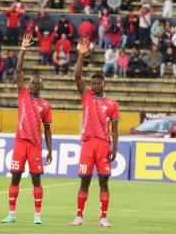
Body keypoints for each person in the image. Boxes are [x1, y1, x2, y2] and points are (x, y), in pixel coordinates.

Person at [1, 33, 53, 224]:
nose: (34, 85)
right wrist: (22, 49)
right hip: (20, 144)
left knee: (36, 179)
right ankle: (11, 214)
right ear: (29, 85)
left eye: (38, 83)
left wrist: (50, 150)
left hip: (35, 146)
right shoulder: (22, 94)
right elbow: (19, 69)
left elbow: (47, 130)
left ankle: (37, 215)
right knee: (15, 178)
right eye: (32, 83)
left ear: (42, 86)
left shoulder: (45, 106)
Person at [70, 37, 119, 228]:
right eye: (93, 83)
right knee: (84, 180)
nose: (96, 85)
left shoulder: (112, 104)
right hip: (88, 144)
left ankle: (103, 217)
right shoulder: (87, 96)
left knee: (104, 181)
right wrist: (81, 55)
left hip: (103, 145)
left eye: (99, 83)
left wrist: (115, 147)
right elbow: (76, 76)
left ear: (104, 84)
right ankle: (79, 215)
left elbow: (115, 130)